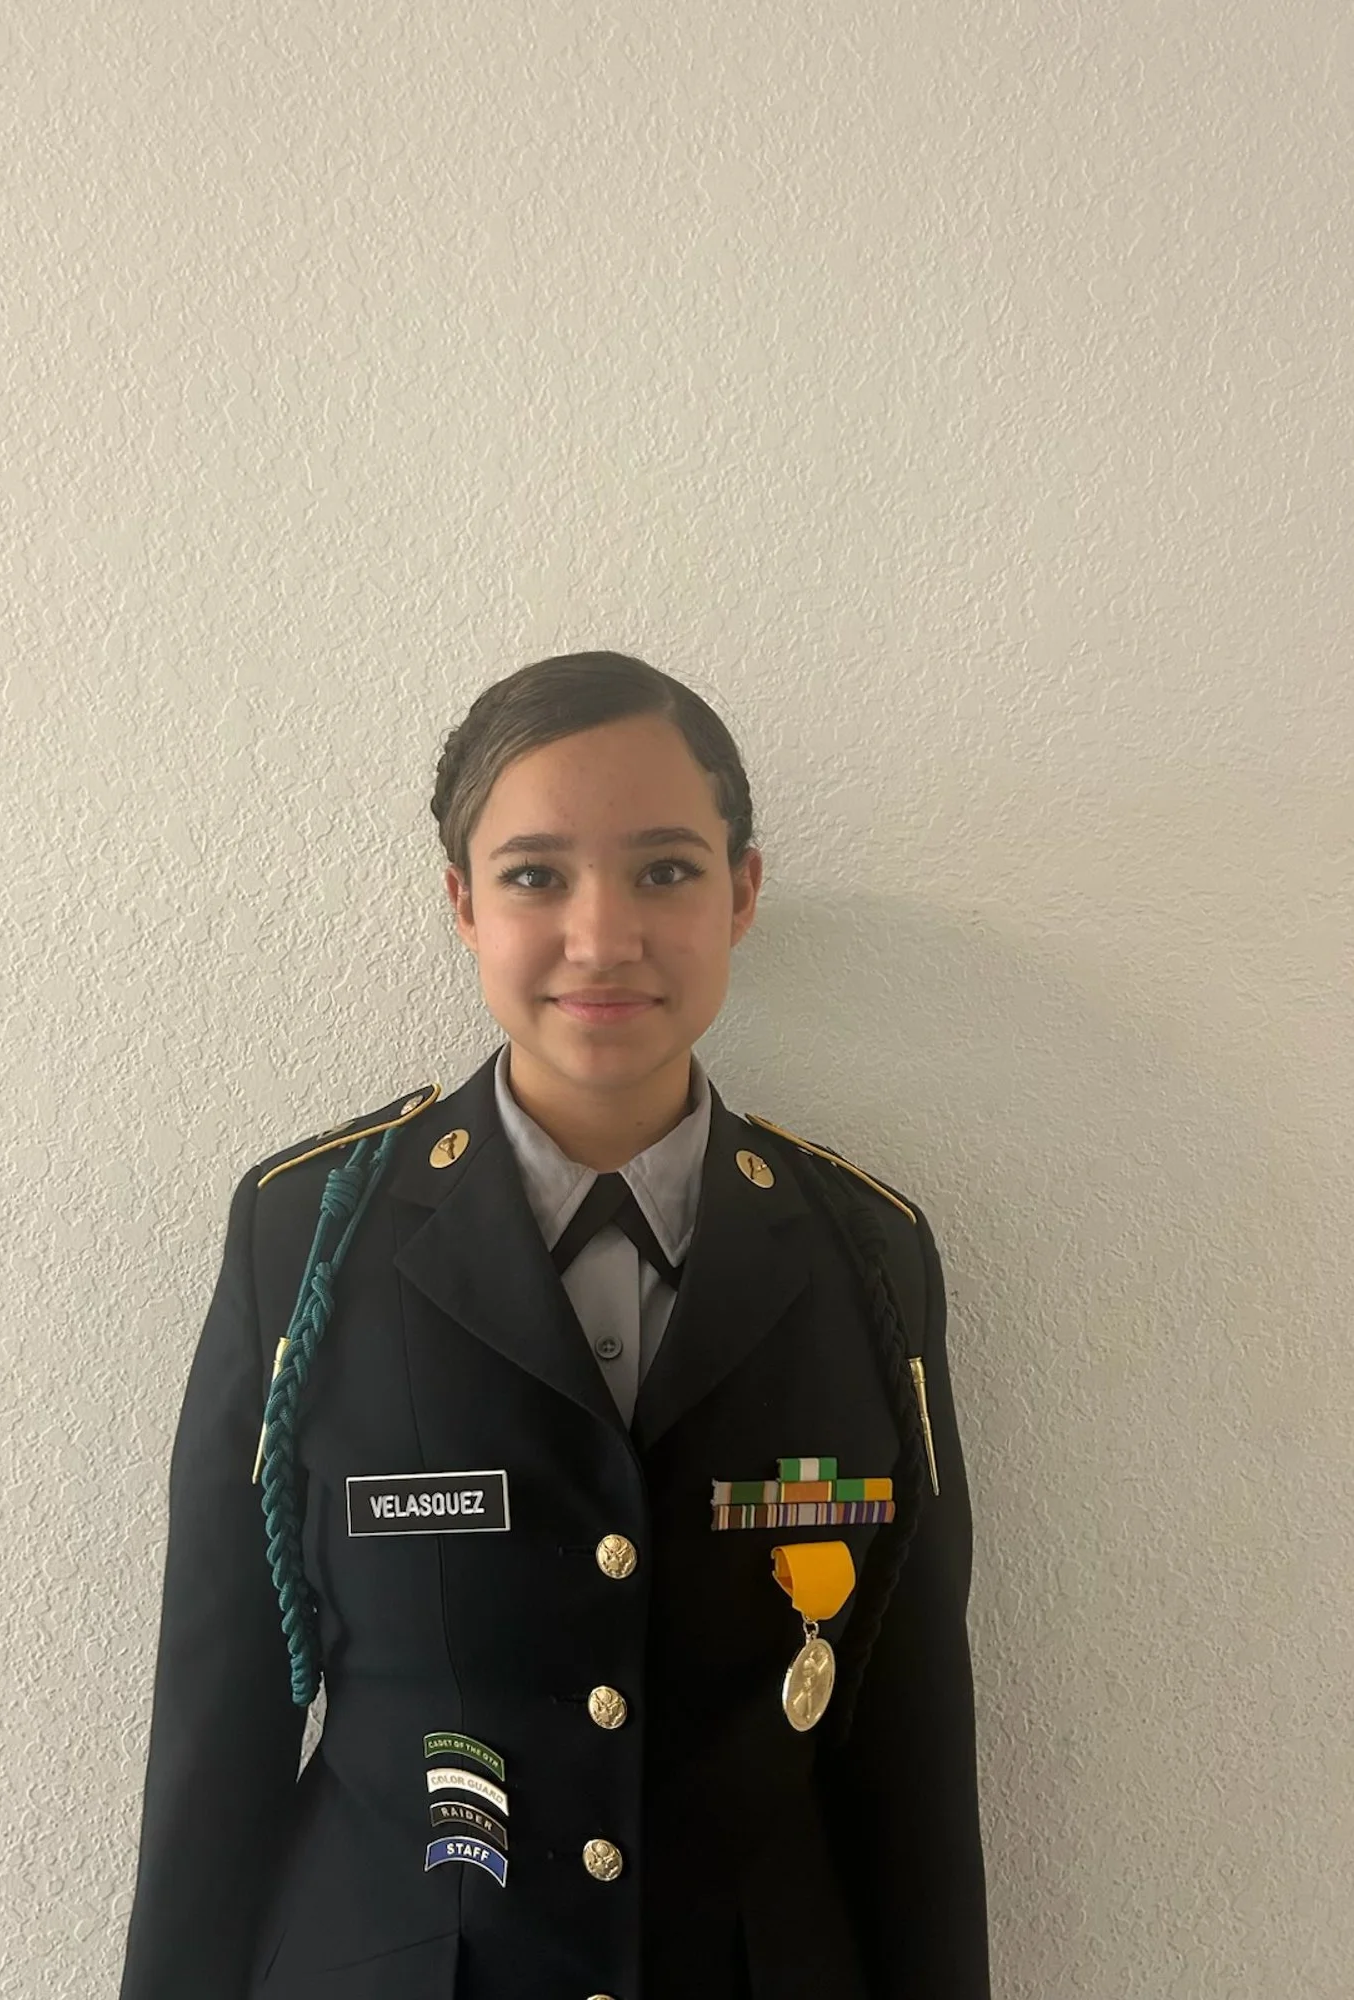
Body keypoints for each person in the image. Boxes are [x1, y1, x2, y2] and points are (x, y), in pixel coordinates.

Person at [117, 650, 990, 2000]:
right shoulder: (307, 1238)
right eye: (535, 875)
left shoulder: (866, 1256)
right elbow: (220, 1730)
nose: (602, 935)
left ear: (743, 891)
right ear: (462, 905)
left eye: (665, 870)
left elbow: (911, 1755)